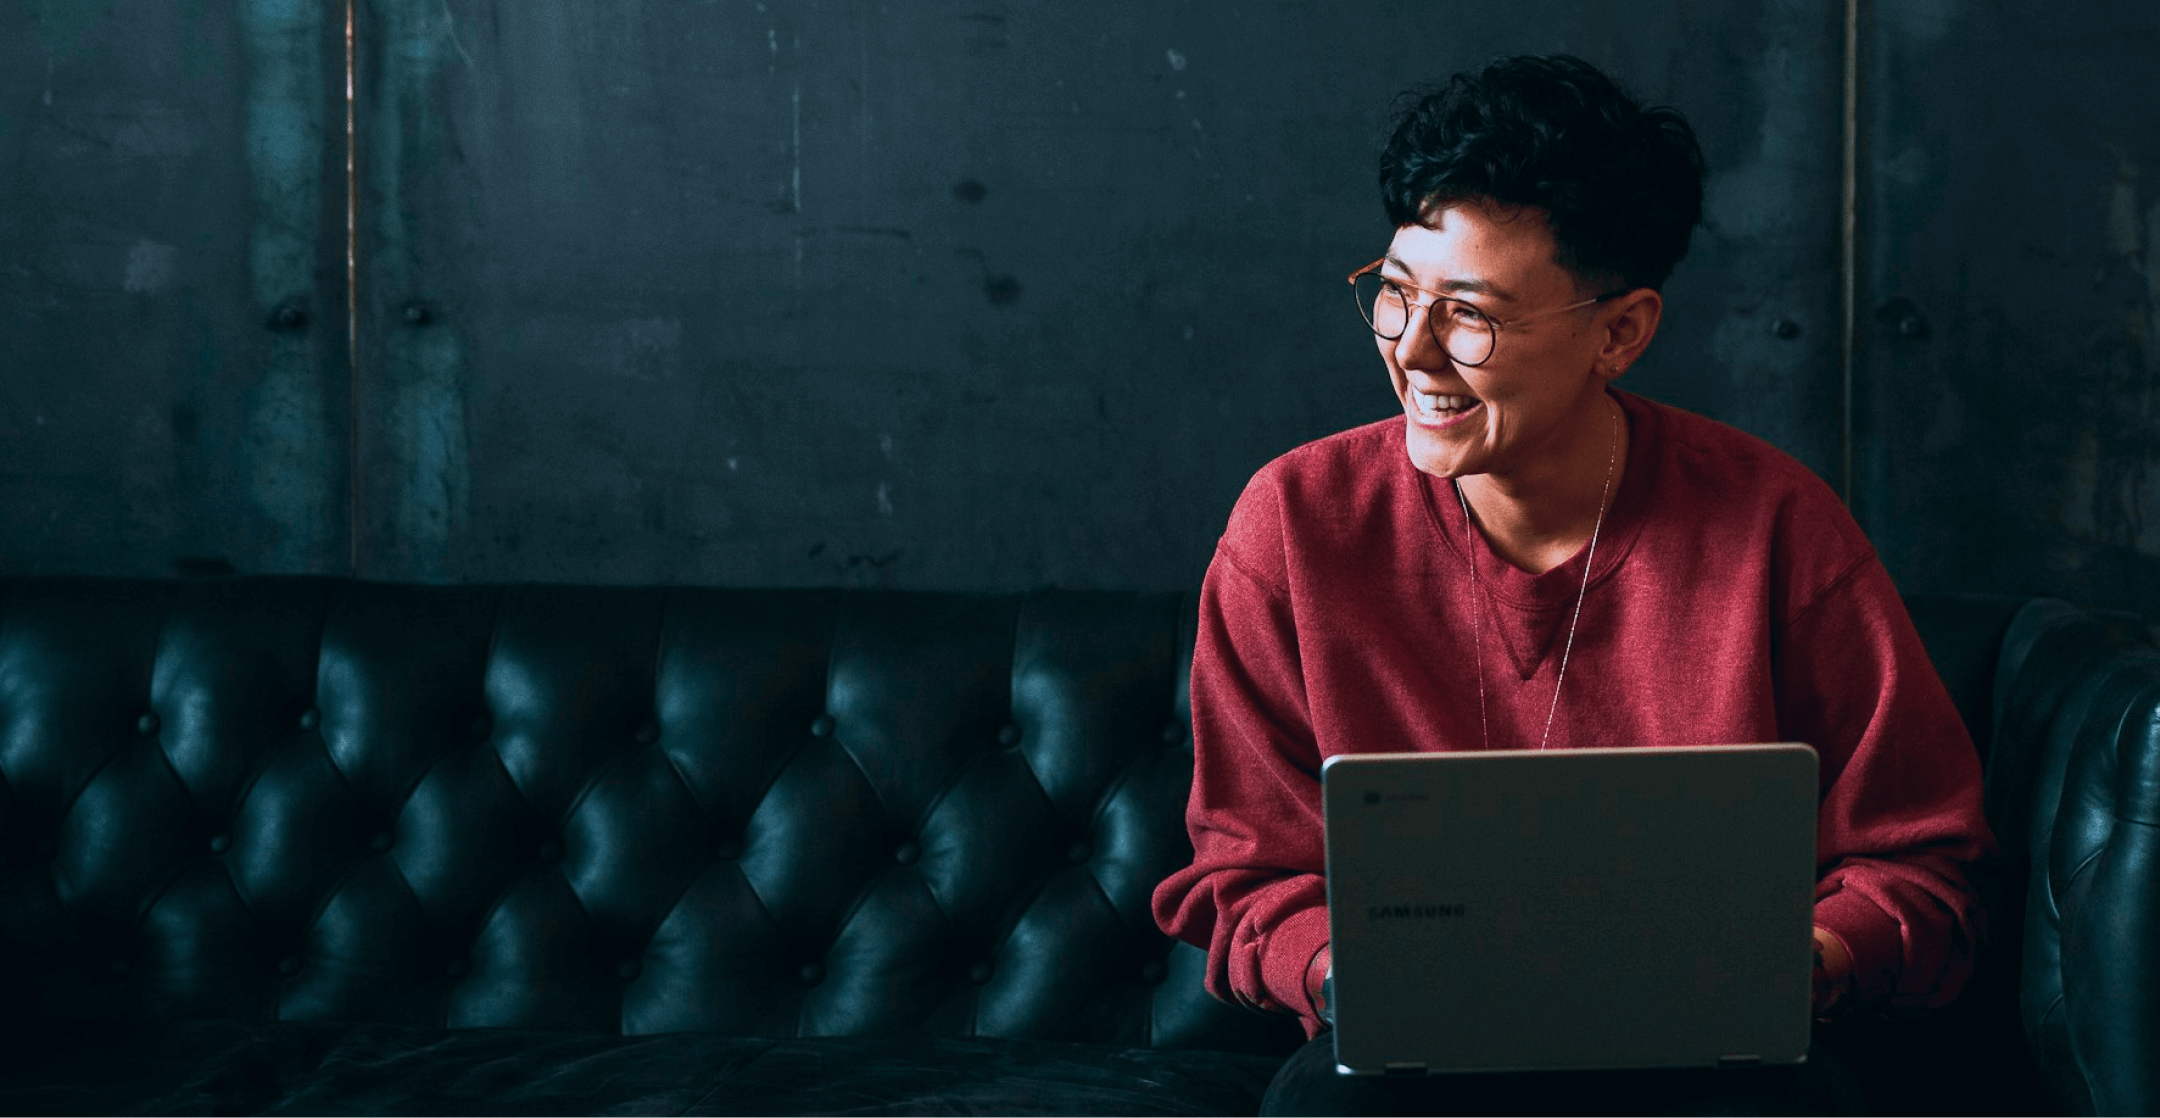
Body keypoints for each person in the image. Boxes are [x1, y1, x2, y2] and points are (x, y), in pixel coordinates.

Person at [1150, 54, 1994, 1117]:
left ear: (1620, 332)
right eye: (1394, 294)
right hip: (1409, 1066)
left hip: (1712, 1057)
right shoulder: (1292, 524)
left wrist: (1802, 961)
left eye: (1470, 314)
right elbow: (1245, 875)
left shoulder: (1778, 528)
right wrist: (1342, 971)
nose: (1413, 350)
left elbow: (1924, 866)